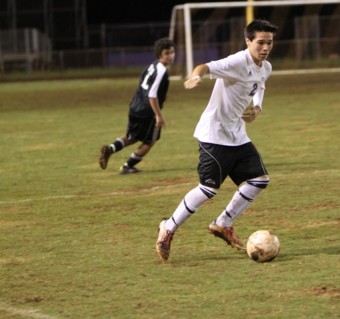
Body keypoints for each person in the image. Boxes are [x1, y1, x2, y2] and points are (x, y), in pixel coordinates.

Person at [155, 19, 278, 262]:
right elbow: (205, 66)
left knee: (259, 180)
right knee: (208, 188)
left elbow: (260, 86)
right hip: (214, 134)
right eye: (260, 42)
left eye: (269, 43)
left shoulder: (266, 67)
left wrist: (257, 108)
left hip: (237, 135)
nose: (265, 48)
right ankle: (167, 227)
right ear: (248, 41)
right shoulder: (236, 62)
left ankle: (223, 223)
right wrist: (196, 77)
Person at [98, 38, 175, 174]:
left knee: (132, 137)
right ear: (160, 55)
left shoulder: (152, 66)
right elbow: (152, 95)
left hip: (135, 106)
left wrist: (161, 96)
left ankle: (109, 149)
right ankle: (127, 167)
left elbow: (143, 84)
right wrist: (158, 115)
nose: (171, 56)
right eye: (167, 53)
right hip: (148, 112)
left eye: (172, 52)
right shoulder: (162, 71)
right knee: (150, 141)